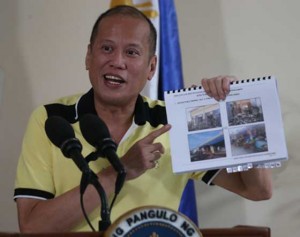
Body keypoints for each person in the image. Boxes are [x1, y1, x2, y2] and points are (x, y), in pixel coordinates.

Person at [14, 5, 272, 233]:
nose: (117, 62)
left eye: (132, 52)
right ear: (88, 56)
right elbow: (33, 226)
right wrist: (120, 171)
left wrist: (237, 112)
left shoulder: (173, 121)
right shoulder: (51, 120)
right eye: (107, 48)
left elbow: (257, 190)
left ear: (151, 67)